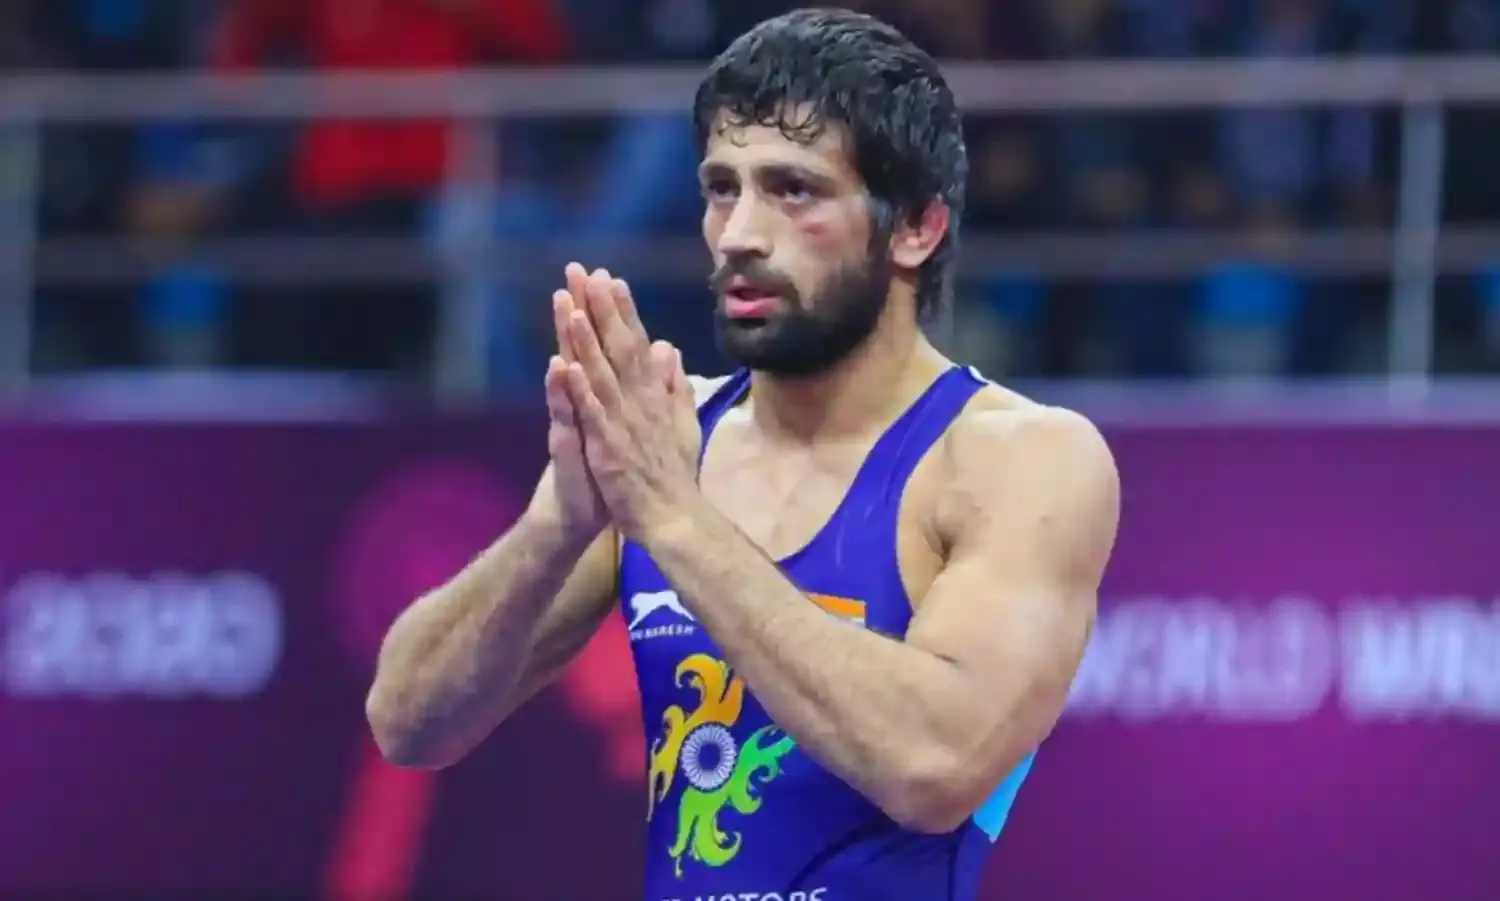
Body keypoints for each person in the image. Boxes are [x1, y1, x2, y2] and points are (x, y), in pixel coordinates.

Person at [365, 9, 1120, 899]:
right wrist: (559, 525)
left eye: (793, 191)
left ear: (915, 228)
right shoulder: (664, 440)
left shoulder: (1016, 460)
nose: (738, 236)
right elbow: (408, 722)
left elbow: (933, 765)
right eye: (722, 189)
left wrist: (673, 518)